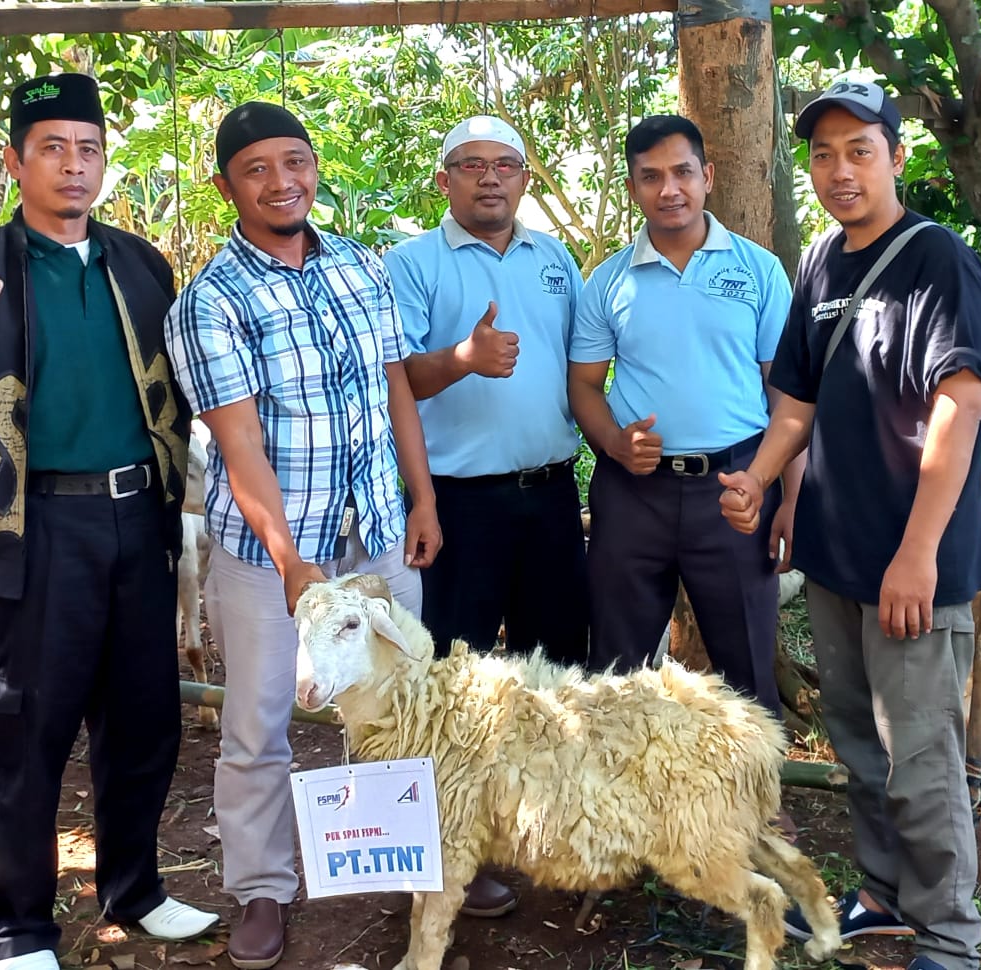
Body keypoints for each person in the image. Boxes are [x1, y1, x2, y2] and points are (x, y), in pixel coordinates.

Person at [0, 73, 218, 970]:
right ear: (16, 160)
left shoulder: (140, 266)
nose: (73, 165)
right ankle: (21, 925)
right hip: (33, 533)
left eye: (88, 148)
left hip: (139, 519)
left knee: (144, 718)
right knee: (27, 725)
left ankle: (135, 890)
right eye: (53, 148)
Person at [718, 79, 981, 970]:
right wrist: (761, 482)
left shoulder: (937, 259)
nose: (840, 171)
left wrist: (916, 555)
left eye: (859, 150)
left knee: (922, 760)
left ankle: (951, 935)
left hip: (911, 564)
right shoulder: (822, 263)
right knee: (859, 746)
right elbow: (793, 401)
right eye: (824, 154)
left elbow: (958, 410)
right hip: (835, 558)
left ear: (896, 156)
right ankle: (880, 892)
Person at [163, 101, 442, 969]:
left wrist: (422, 499)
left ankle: (421, 865)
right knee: (259, 722)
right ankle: (260, 888)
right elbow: (238, 441)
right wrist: (291, 561)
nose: (282, 182)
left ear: (314, 166)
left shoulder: (362, 264)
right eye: (258, 169)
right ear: (227, 187)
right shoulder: (211, 300)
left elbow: (395, 387)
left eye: (295, 162)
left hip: (378, 530)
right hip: (272, 557)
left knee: (409, 703)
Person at [567, 114, 798, 718]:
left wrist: (790, 497)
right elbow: (584, 387)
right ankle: (619, 806)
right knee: (616, 671)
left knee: (747, 662)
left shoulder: (758, 270)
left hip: (736, 488)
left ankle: (758, 806)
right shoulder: (608, 282)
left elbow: (789, 397)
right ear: (633, 188)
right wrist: (615, 444)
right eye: (650, 177)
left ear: (708, 177)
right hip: (631, 494)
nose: (669, 189)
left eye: (681, 172)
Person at [383, 115, 589, 667]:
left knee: (555, 666)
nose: (490, 178)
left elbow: (582, 366)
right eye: (472, 165)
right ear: (444, 180)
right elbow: (395, 378)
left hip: (551, 496)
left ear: (524, 180)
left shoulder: (555, 258)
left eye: (505, 165)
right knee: (452, 665)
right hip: (457, 504)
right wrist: (463, 359)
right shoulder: (409, 264)